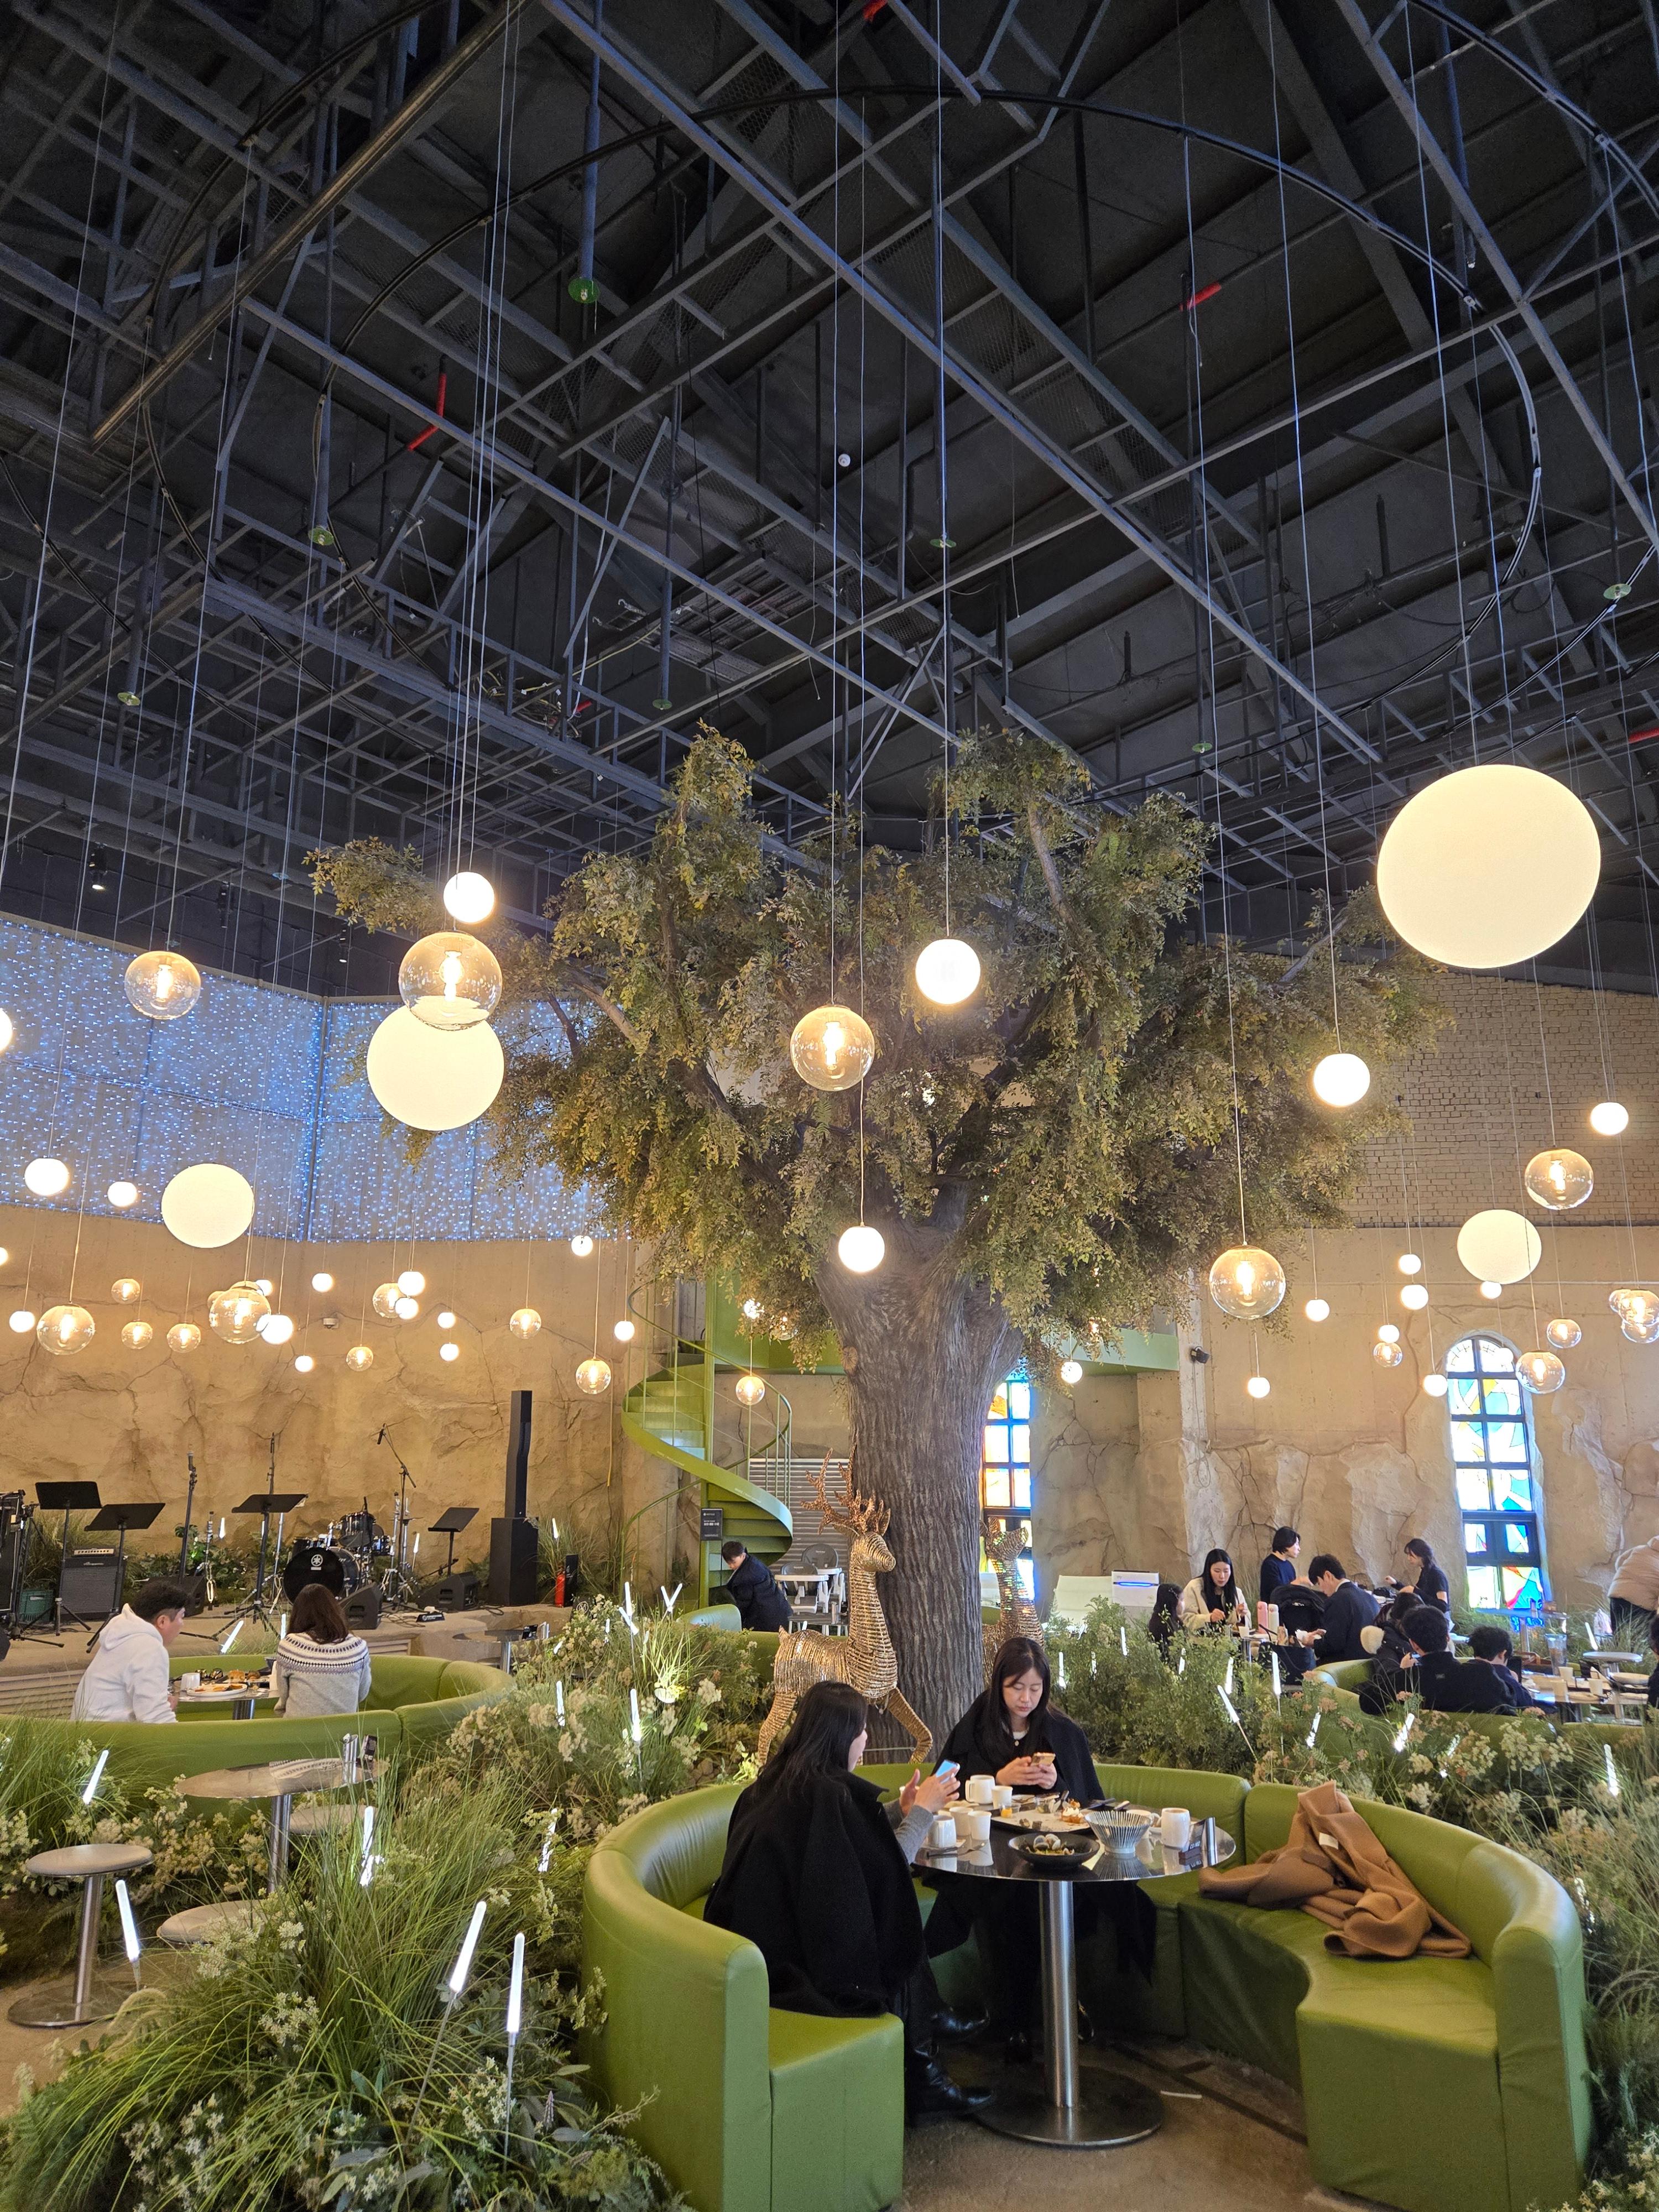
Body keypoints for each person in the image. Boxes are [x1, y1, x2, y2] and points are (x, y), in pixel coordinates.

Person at [703, 1679, 988, 2121]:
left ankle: (929, 2027)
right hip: (790, 1965)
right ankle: (925, 2076)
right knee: (890, 1916)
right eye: (862, 1730)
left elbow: (850, 1846)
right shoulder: (824, 1795)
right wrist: (925, 1812)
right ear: (841, 1738)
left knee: (886, 1917)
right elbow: (882, 1873)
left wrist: (898, 1811)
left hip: (757, 1938)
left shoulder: (781, 1782)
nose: (867, 1739)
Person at [933, 1638, 1150, 2057]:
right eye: (1016, 1688)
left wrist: (1057, 1784)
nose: (1026, 1699)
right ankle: (1013, 2017)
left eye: (1035, 1689)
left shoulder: (1060, 1731)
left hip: (1055, 1851)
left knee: (1066, 1896)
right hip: (990, 1849)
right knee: (1004, 1899)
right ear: (999, 1684)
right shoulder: (977, 1725)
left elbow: (1086, 1801)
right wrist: (1000, 1778)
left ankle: (1057, 2008)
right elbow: (945, 1785)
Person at [70, 1577, 188, 1724]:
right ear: (162, 1621)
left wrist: (160, 1703)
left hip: (87, 1732)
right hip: (108, 1736)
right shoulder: (149, 1648)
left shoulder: (123, 1637)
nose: (182, 1624)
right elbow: (156, 1721)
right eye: (181, 1617)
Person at [271, 1582, 373, 1717]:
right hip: (345, 1729)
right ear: (335, 1611)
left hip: (298, 1728)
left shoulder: (290, 1646)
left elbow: (284, 1695)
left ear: (298, 1613)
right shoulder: (358, 1647)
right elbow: (361, 1694)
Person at [1401, 1605, 1516, 1713]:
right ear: (1448, 1637)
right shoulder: (1483, 1675)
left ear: (1413, 1644)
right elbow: (1513, 1707)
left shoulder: (1401, 1683)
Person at [1299, 1555, 1381, 1666]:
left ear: (1328, 1576)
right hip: (1371, 1664)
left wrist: (1312, 1642)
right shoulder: (1369, 1598)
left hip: (1346, 1667)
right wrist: (1326, 1634)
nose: (1322, 1590)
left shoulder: (1337, 1600)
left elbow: (1334, 1644)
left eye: (1319, 1583)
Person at [718, 1540, 793, 1632]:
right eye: (728, 1563)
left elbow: (744, 1604)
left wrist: (736, 1622)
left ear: (742, 1555)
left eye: (734, 1562)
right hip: (780, 1611)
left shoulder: (745, 1577)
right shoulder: (753, 1561)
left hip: (766, 1618)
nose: (731, 1566)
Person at [1176, 1549, 1249, 1635]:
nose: (1222, 1576)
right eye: (1217, 1571)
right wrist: (1209, 1618)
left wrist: (1239, 1615)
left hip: (1231, 1641)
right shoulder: (1194, 1587)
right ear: (1208, 1570)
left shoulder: (1236, 1592)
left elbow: (1247, 1625)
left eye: (1226, 1571)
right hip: (1200, 1641)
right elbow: (1185, 1620)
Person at [1466, 1624, 1538, 1710]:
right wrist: (1514, 1680)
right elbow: (1527, 1703)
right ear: (1503, 1654)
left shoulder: (1462, 1671)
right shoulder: (1502, 1675)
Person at [1608, 1537, 1659, 1648]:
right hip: (1641, 1602)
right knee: (1637, 1644)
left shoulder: (1640, 1549)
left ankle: (1617, 1656)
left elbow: (1620, 1562)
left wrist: (1627, 1578)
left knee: (1619, 1637)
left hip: (1617, 1593)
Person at [1259, 1528, 1300, 1623]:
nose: (1299, 1548)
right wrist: (1299, 1582)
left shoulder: (1289, 1566)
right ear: (1287, 1543)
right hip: (1273, 1617)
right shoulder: (1270, 1564)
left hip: (1289, 1615)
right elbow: (1278, 1593)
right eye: (1296, 1544)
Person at [1400, 1538, 1451, 1614]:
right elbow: (1414, 1591)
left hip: (1440, 1618)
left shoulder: (1436, 1575)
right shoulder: (1425, 1571)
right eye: (1408, 1555)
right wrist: (1395, 1584)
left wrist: (1415, 1591)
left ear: (1421, 1555)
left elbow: (1443, 1606)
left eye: (1411, 1555)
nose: (1409, 1559)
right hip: (1429, 1614)